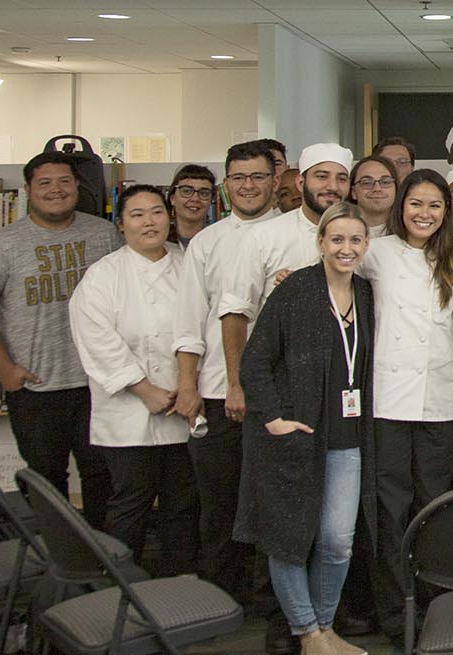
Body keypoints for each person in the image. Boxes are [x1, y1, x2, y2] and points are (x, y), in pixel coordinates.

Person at [236, 204, 373, 655]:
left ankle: (325, 627)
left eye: (355, 240)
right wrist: (273, 418)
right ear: (320, 243)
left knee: (337, 541)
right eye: (337, 239)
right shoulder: (295, 289)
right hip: (296, 436)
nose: (346, 248)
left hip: (348, 436)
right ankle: (308, 632)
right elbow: (254, 361)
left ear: (366, 245)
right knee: (288, 539)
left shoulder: (367, 294)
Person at [0, 151, 123, 528]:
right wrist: (6, 369)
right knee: (47, 482)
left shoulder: (104, 235)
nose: (56, 190)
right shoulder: (5, 243)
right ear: (28, 190)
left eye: (64, 181)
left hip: (98, 385)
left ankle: (104, 558)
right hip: (36, 388)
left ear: (77, 186)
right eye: (45, 183)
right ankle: (61, 559)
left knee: (103, 478)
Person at [69, 184, 199, 572]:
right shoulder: (102, 276)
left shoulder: (189, 266)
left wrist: (188, 387)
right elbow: (96, 339)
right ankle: (120, 585)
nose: (149, 222)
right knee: (131, 502)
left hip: (184, 405)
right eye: (137, 214)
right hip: (127, 412)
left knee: (183, 503)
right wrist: (145, 390)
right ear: (121, 225)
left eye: (157, 212)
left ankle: (182, 584)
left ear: (169, 217)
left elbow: (201, 329)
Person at [361, 168, 453, 617]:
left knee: (434, 505)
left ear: (445, 212)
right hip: (386, 400)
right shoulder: (375, 252)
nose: (424, 213)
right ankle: (393, 609)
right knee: (390, 507)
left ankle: (432, 603)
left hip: (440, 401)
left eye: (434, 205)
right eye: (416, 203)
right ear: (400, 206)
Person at [173, 141, 282, 601]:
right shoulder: (207, 242)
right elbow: (188, 321)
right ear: (226, 185)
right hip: (220, 392)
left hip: (279, 394)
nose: (248, 186)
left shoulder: (295, 233)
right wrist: (186, 385)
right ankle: (219, 596)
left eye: (258, 176)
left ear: (276, 180)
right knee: (218, 501)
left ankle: (270, 597)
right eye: (238, 178)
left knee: (272, 502)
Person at [239, 143, 355, 309]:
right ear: (301, 183)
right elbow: (238, 308)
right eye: (322, 177)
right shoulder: (264, 236)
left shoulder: (361, 238)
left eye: (341, 179)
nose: (333, 187)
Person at [349, 155, 398, 237]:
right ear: (353, 192)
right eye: (367, 183)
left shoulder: (410, 232)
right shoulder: (337, 229)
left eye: (385, 182)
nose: (377, 189)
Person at [168, 164, 216, 245]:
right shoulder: (158, 240)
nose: (195, 199)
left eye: (204, 193)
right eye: (186, 191)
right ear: (172, 199)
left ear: (211, 200)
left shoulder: (219, 240)